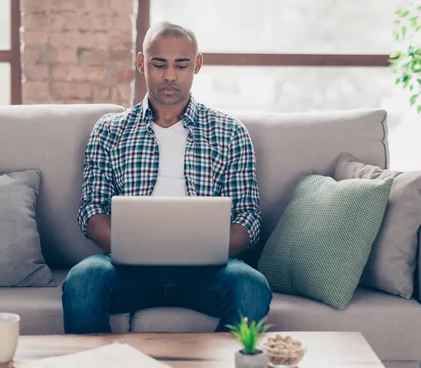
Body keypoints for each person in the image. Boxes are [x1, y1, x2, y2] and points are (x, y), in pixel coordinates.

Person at [62, 21, 272, 334]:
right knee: (82, 280)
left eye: (181, 65)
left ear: (197, 65)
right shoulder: (109, 130)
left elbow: (248, 218)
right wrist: (132, 249)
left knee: (252, 286)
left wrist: (205, 250)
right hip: (125, 269)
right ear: (141, 63)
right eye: (159, 64)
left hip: (208, 272)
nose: (170, 76)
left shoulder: (230, 133)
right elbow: (91, 210)